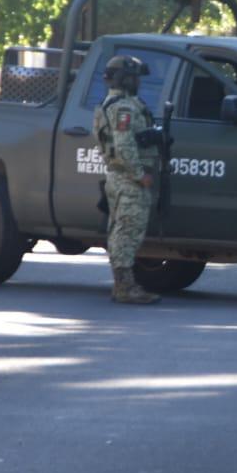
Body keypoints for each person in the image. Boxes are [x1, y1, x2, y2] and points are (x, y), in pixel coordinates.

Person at [95, 54, 161, 305]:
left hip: (118, 177)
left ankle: (124, 283)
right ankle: (124, 286)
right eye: (134, 77)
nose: (138, 82)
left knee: (121, 229)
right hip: (127, 180)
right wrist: (139, 174)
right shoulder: (122, 106)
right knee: (127, 230)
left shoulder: (114, 103)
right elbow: (123, 145)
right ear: (124, 79)